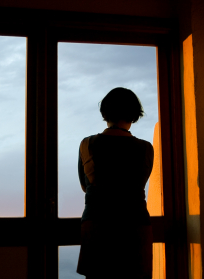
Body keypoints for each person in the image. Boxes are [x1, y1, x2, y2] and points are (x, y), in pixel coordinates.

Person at [76, 87, 154, 279]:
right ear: (135, 114)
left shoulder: (88, 144)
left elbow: (86, 186)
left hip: (97, 225)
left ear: (105, 113)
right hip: (135, 226)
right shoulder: (145, 148)